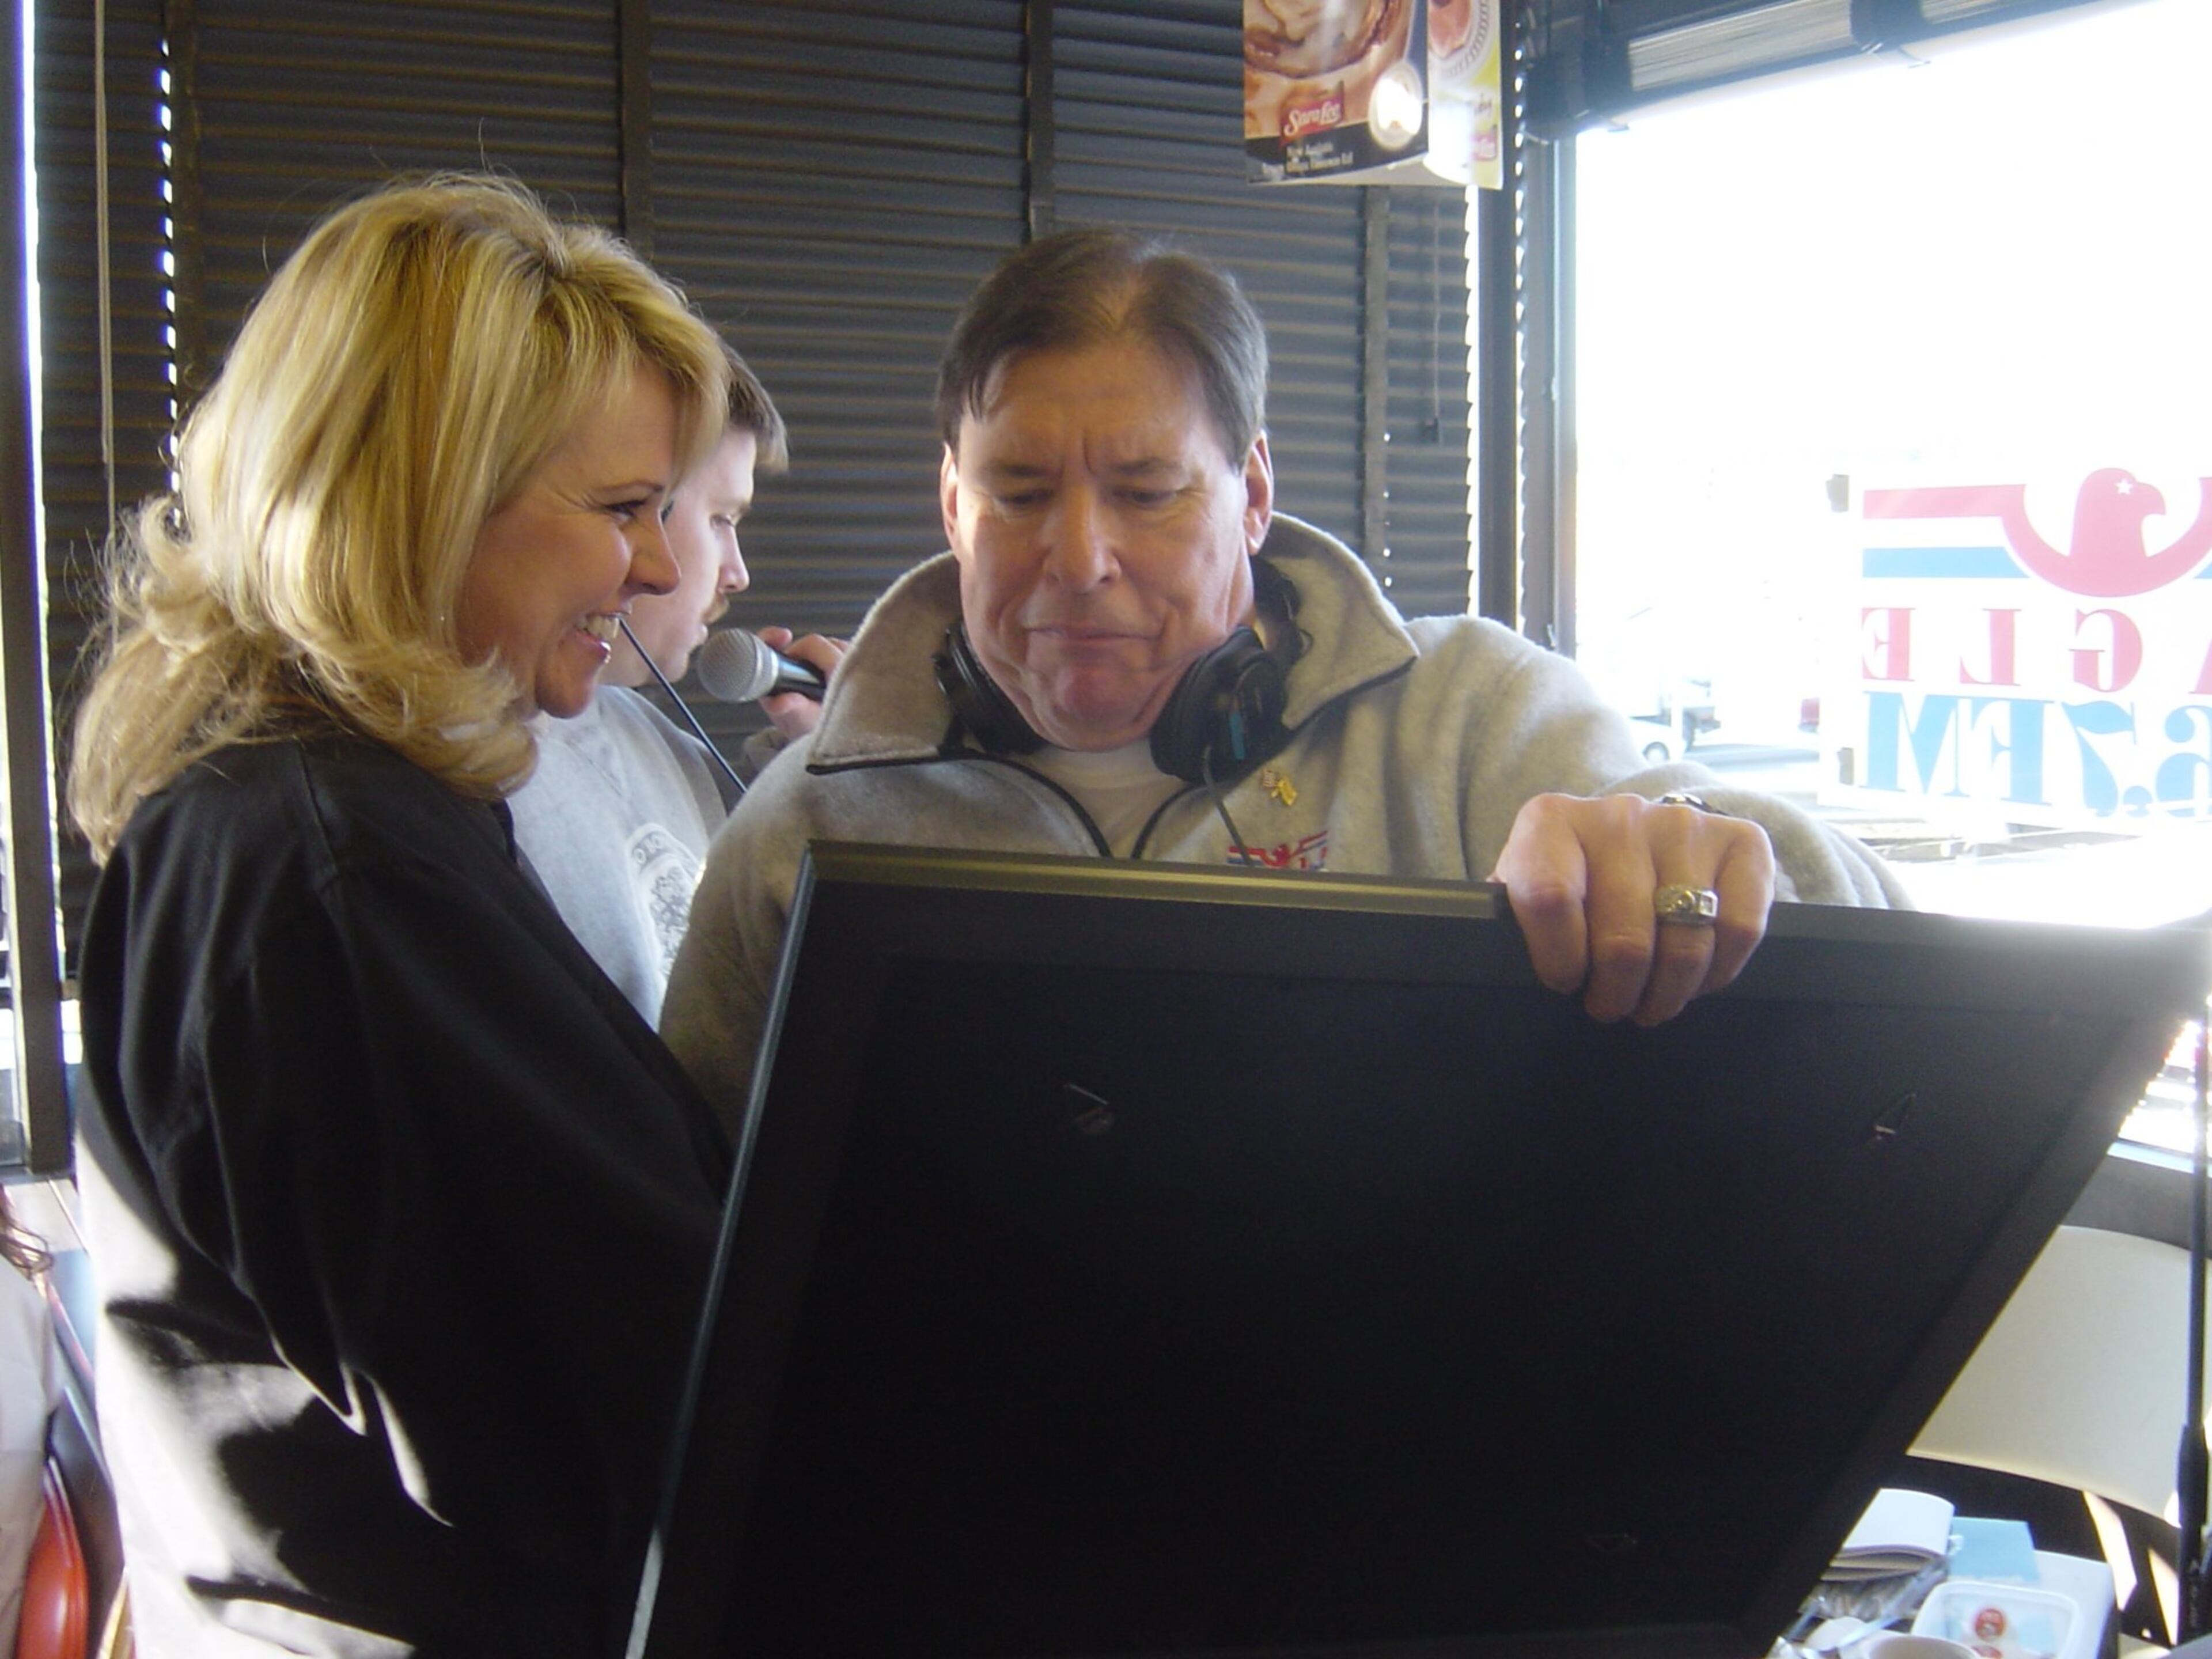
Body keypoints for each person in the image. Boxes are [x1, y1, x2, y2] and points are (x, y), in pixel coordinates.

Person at [661, 225, 1907, 1120]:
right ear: (951, 502)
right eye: (1020, 494)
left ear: (1252, 493)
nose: (1079, 560)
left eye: (1148, 492)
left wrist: (1701, 859)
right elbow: (703, 1225)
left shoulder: (1471, 724)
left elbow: (1886, 964)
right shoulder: (804, 828)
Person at [67, 175, 733, 1657]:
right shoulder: (342, 879)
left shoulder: (289, 807)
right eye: (621, 509)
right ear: (427, 498)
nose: (659, 565)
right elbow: (633, 1439)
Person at [510, 342, 840, 1024]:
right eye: (721, 520)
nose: (737, 573)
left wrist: (824, 768)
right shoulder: (470, 775)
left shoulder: (660, 744)